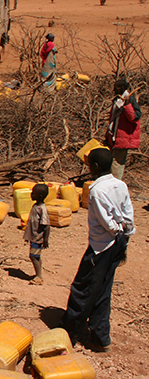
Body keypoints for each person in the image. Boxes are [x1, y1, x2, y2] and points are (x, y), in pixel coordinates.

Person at [61, 148, 134, 352]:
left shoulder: (96, 190)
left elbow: (105, 221)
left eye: (89, 165)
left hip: (102, 245)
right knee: (103, 288)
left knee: (82, 289)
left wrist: (115, 230)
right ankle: (100, 338)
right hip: (118, 241)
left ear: (95, 166)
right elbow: (128, 213)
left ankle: (69, 333)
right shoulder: (120, 185)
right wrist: (125, 236)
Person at [105, 79, 141, 180]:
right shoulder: (117, 100)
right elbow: (113, 120)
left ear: (122, 88)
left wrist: (127, 105)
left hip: (123, 137)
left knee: (117, 164)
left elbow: (134, 118)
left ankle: (115, 185)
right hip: (114, 136)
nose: (113, 89)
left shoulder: (130, 100)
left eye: (116, 87)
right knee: (111, 161)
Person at [23, 183, 50, 285]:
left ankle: (39, 276)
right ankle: (38, 274)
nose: (31, 194)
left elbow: (47, 225)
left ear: (40, 196)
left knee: (33, 256)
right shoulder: (36, 206)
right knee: (35, 256)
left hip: (38, 238)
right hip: (33, 236)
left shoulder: (42, 209)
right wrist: (28, 236)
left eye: (33, 193)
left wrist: (46, 240)